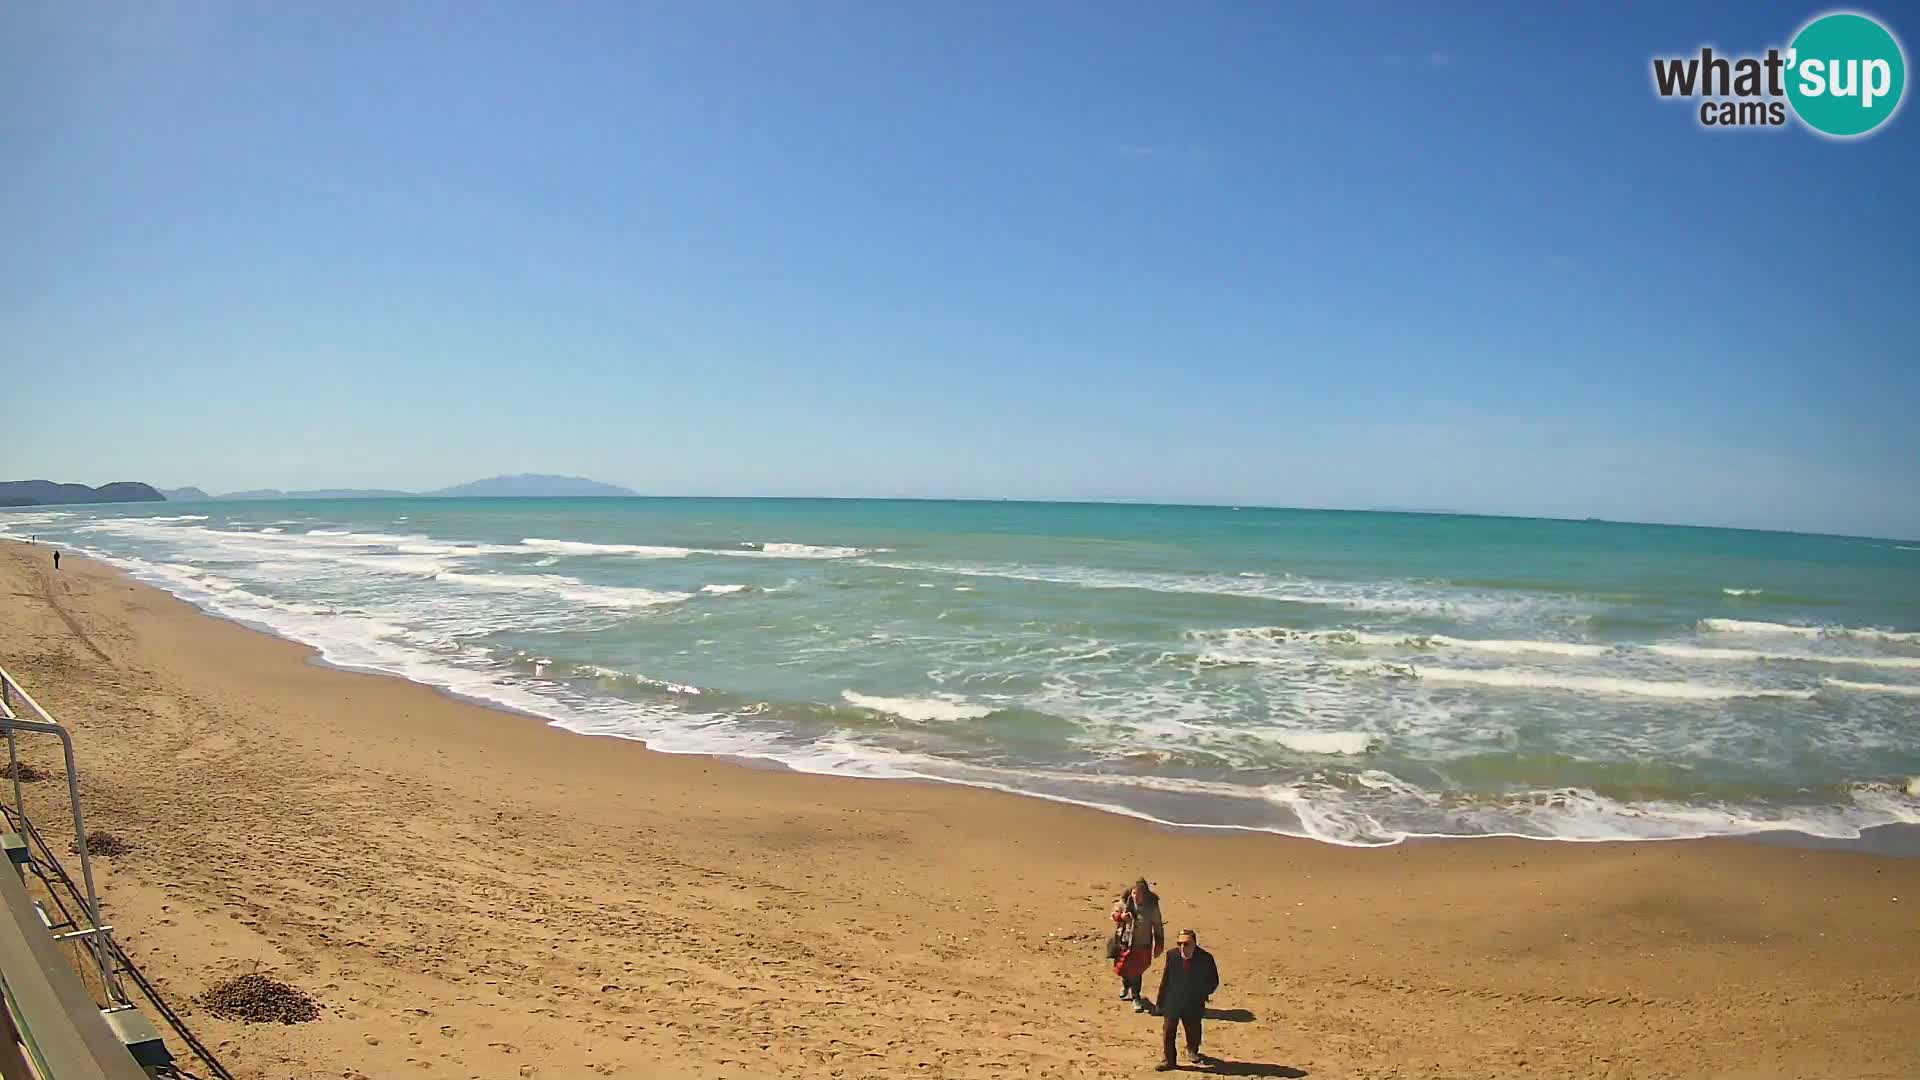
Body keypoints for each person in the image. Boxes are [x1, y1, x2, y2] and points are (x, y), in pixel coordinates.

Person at [1153, 929, 1219, 1071]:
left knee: (1193, 1030)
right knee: (1168, 1031)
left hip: (1193, 1002)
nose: (1183, 947)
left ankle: (1192, 1050)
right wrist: (1160, 1002)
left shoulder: (1205, 958)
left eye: (1186, 943)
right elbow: (1166, 978)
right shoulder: (1172, 955)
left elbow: (1213, 981)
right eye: (1180, 943)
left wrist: (1200, 994)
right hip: (1173, 1000)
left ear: (1194, 943)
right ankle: (1169, 1060)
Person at [1110, 878, 1164, 1012]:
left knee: (1136, 973)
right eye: (1134, 893)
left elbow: (1157, 926)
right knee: (1123, 971)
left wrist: (1159, 944)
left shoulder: (1151, 908)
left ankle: (1136, 997)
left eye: (1140, 893)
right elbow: (1113, 914)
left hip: (1142, 945)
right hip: (1124, 944)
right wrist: (1121, 917)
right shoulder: (1124, 904)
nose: (1137, 896)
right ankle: (1126, 984)